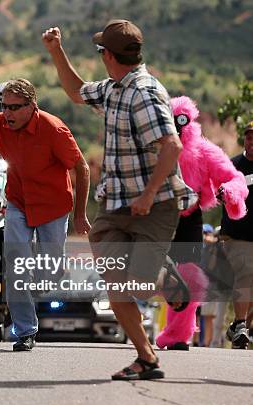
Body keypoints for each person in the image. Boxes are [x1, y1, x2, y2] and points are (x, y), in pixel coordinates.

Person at [43, 20, 198, 379]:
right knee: (115, 283)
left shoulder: (143, 93)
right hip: (114, 205)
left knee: (139, 282)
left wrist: (146, 195)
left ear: (107, 55)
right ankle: (146, 357)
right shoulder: (114, 88)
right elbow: (77, 91)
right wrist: (56, 52)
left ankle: (163, 277)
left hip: (153, 205)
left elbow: (171, 146)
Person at [0, 78, 91, 351]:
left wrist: (80, 215)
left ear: (32, 106)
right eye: (5, 106)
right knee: (16, 263)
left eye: (15, 107)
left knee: (50, 273)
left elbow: (82, 169)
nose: (8, 113)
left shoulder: (54, 129)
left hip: (53, 206)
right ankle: (25, 331)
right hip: (18, 202)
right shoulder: (0, 124)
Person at [154, 96, 248, 351]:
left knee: (189, 275)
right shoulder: (152, 146)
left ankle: (178, 335)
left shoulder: (204, 151)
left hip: (189, 218)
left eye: (182, 121)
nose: (177, 126)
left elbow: (234, 178)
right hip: (156, 217)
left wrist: (230, 191)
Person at [220, 121, 253, 349]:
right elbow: (218, 193)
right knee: (246, 274)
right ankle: (241, 325)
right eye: (250, 137)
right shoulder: (232, 167)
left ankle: (238, 327)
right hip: (237, 235)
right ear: (245, 140)